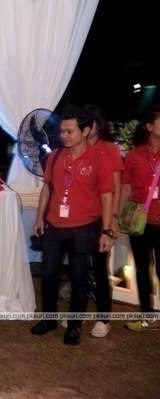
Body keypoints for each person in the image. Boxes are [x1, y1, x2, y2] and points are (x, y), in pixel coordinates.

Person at [30, 105, 114, 345]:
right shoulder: (56, 156)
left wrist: (107, 230)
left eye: (69, 131)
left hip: (84, 228)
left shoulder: (99, 159)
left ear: (85, 131)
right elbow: (47, 187)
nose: (63, 136)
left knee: (79, 278)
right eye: (62, 131)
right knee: (48, 276)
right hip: (55, 227)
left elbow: (107, 195)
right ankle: (48, 319)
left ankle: (75, 325)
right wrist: (39, 218)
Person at [84, 104, 124, 338]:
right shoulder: (76, 148)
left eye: (91, 122)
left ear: (99, 124)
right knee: (79, 268)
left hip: (103, 217)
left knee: (100, 267)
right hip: (80, 217)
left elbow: (117, 186)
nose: (88, 127)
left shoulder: (109, 149)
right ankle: (78, 314)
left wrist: (114, 219)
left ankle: (103, 318)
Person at [120, 105, 160, 331]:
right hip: (140, 221)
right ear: (149, 127)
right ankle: (147, 316)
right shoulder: (134, 155)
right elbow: (126, 187)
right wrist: (116, 215)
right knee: (142, 269)